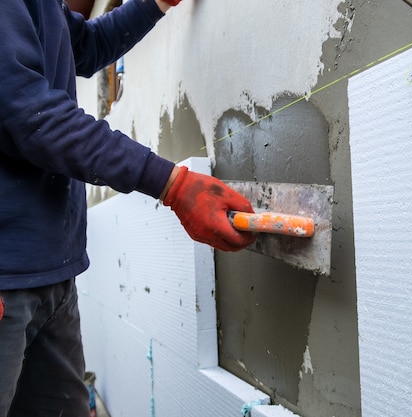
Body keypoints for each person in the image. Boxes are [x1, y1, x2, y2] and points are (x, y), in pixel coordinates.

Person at [0, 1, 256, 415]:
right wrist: (171, 184)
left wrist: (153, 5)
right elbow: (32, 114)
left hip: (55, 275)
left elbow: (86, 44)